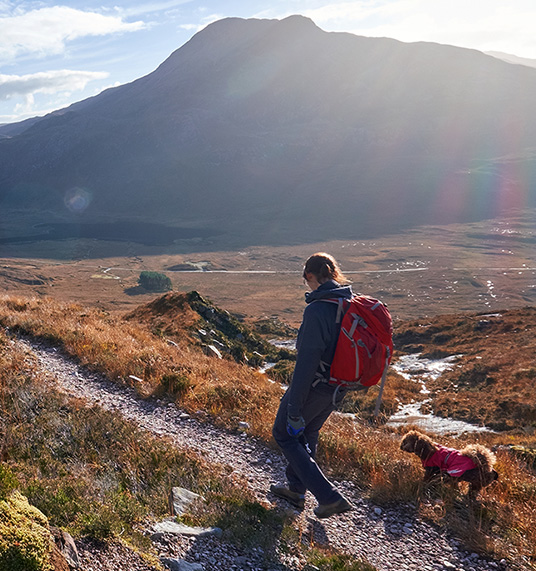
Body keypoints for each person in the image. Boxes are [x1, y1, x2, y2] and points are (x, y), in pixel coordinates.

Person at [270, 252, 357, 518]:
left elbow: (306, 364)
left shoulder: (318, 309)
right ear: (332, 272)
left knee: (284, 434)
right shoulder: (349, 302)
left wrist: (294, 406)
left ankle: (329, 497)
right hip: (337, 387)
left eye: (305, 279)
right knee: (307, 435)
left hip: (316, 386)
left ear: (309, 275)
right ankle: (296, 490)